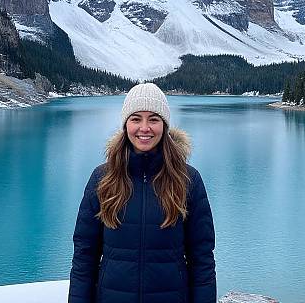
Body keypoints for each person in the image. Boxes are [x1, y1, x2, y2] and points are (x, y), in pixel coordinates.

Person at [68, 82, 216, 303]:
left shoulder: (187, 180)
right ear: (126, 124)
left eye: (153, 119)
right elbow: (84, 256)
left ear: (164, 125)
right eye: (136, 118)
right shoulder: (102, 179)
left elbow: (202, 258)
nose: (144, 128)